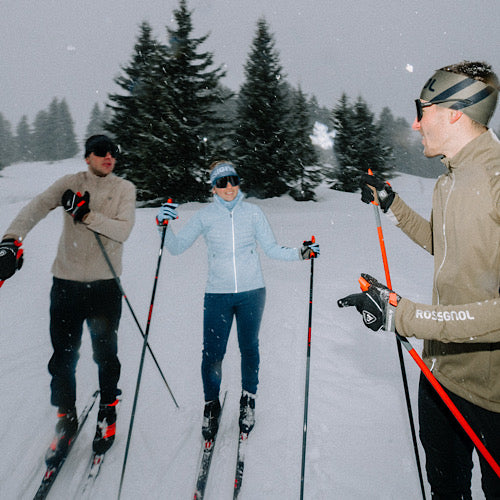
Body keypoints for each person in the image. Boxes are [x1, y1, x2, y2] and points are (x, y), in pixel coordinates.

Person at [338, 61, 500, 498]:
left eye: (422, 109)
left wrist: (404, 316)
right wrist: (393, 204)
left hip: (493, 397)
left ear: (454, 111)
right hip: (440, 377)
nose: (415, 121)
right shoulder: (448, 183)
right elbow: (446, 243)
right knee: (446, 490)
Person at [156, 160, 319, 440]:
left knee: (249, 348)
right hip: (217, 294)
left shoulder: (253, 213)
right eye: (222, 182)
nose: (229, 186)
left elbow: (271, 248)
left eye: (232, 180)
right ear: (213, 189)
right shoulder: (205, 217)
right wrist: (163, 226)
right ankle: (211, 404)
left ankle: (248, 400)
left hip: (252, 292)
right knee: (212, 354)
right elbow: (176, 247)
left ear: (239, 182)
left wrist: (301, 253)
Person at [0, 135, 136, 464]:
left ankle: (108, 411)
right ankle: (67, 418)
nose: (108, 157)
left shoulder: (124, 189)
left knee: (106, 355)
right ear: (87, 157)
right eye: (100, 152)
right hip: (66, 285)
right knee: (62, 358)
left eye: (112, 153)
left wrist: (87, 215)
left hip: (104, 287)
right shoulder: (69, 184)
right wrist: (9, 241)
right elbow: (35, 207)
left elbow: (122, 231)